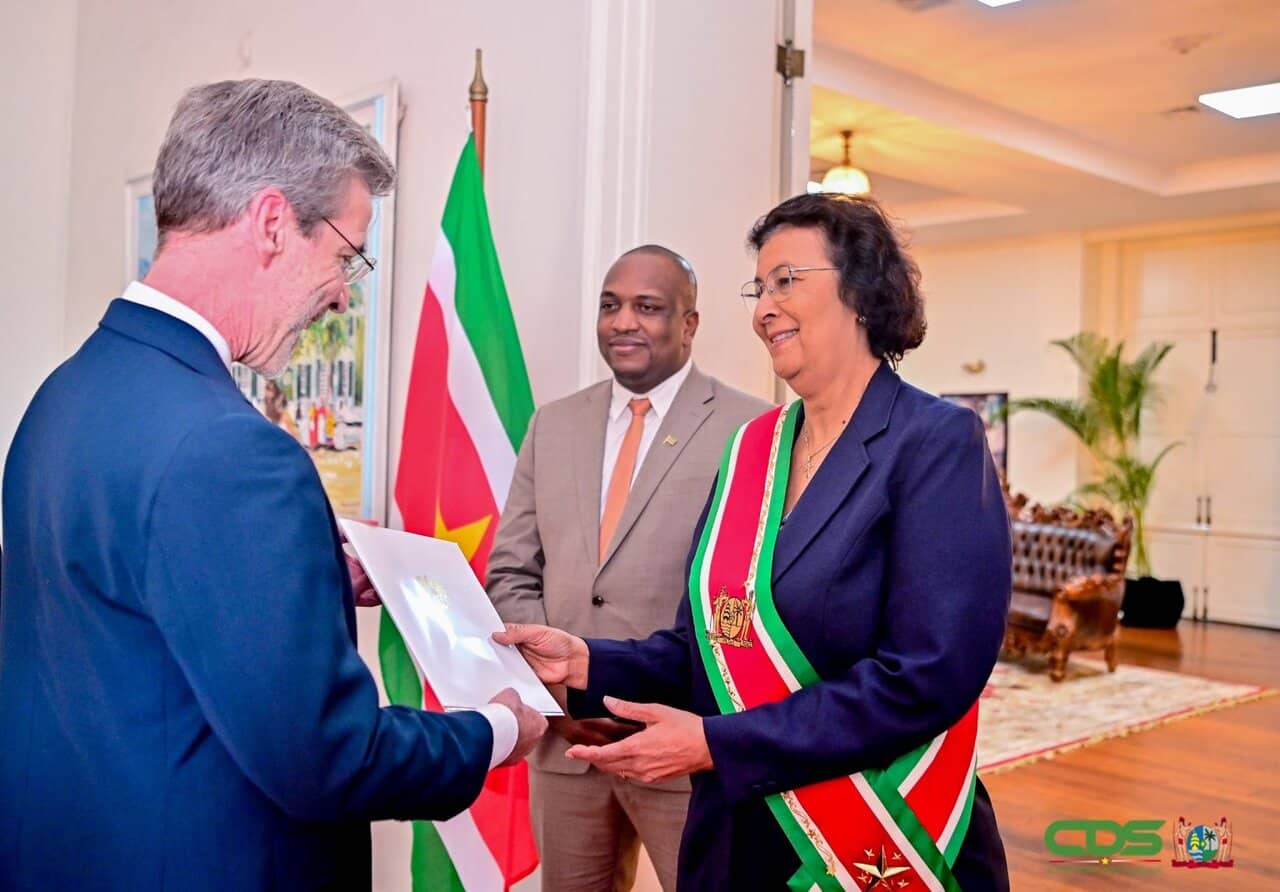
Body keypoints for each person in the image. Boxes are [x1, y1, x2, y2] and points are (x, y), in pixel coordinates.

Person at [0, 79, 546, 891]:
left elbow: (128, 618)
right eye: (346, 255)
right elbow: (326, 758)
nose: (342, 294)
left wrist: (311, 576)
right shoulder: (232, 451)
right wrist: (495, 729)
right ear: (269, 222)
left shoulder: (61, 396)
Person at [497, 194, 1012, 891]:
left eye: (786, 281)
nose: (764, 308)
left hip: (877, 836)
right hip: (739, 836)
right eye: (759, 288)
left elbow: (926, 675)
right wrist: (589, 662)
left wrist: (717, 743)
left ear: (861, 291)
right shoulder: (752, 450)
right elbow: (710, 646)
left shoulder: (935, 441)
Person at [486, 245, 770, 891]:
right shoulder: (552, 424)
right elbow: (511, 571)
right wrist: (563, 698)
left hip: (684, 743)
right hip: (567, 742)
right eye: (610, 305)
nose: (623, 322)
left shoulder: (753, 426)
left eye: (648, 307)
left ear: (689, 323)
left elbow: (750, 592)